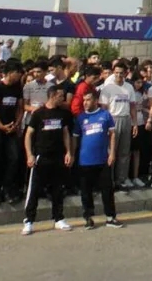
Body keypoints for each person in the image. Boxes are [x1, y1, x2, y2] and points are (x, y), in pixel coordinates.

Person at [21, 87, 73, 235]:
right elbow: (28, 134)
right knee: (34, 190)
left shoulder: (63, 114)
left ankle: (58, 218)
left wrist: (68, 152)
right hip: (41, 156)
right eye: (61, 96)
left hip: (58, 156)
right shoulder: (39, 113)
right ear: (53, 96)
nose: (63, 99)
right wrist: (30, 155)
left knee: (58, 189)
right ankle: (29, 220)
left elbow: (65, 133)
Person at [73, 88, 123, 229]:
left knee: (107, 190)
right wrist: (72, 154)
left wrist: (112, 153)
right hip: (85, 161)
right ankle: (88, 218)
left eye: (88, 100)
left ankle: (110, 217)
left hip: (102, 159)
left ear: (96, 101)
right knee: (86, 191)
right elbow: (75, 138)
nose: (85, 103)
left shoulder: (105, 115)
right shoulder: (80, 118)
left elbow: (112, 135)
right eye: (84, 100)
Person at [0, 61, 25, 205]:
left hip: (12, 129)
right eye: (17, 73)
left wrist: (16, 123)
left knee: (14, 158)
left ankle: (8, 188)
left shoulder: (17, 89)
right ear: (10, 73)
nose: (19, 76)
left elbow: (20, 108)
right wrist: (1, 126)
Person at [98, 61, 136, 190]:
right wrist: (105, 124)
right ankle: (110, 179)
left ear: (125, 73)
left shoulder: (129, 87)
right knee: (111, 151)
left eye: (121, 73)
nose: (118, 75)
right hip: (112, 119)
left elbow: (132, 106)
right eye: (116, 73)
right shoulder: (107, 88)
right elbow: (103, 108)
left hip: (126, 119)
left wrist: (135, 123)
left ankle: (121, 179)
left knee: (124, 152)